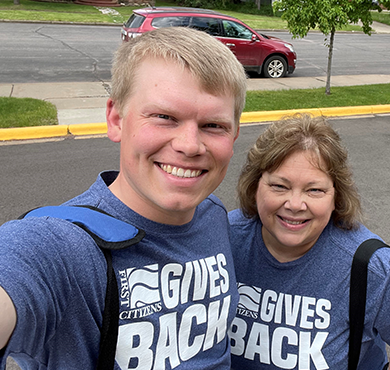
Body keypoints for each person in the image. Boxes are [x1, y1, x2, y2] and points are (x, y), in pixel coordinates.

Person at [0, 27, 247, 370]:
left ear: (234, 134)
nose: (190, 145)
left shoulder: (213, 214)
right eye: (164, 117)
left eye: (213, 126)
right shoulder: (63, 246)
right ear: (116, 119)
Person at [227, 114, 390, 370]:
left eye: (314, 190)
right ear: (254, 186)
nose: (295, 205)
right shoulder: (224, 237)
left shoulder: (371, 266)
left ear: (336, 196)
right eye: (279, 186)